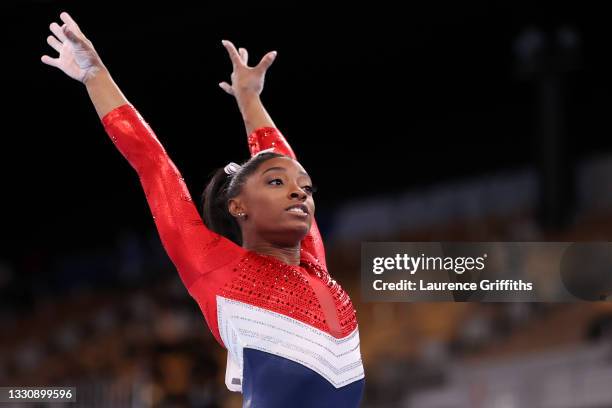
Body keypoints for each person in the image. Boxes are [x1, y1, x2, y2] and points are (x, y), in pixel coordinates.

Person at [41, 12, 365, 407]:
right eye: (277, 184)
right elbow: (153, 163)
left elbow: (282, 159)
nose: (299, 194)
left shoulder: (315, 266)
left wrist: (249, 100)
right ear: (238, 206)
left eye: (306, 188)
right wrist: (95, 75)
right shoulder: (215, 266)